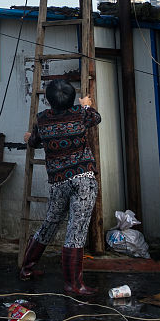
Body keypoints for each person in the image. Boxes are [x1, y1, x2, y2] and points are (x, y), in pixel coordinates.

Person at [20, 78, 102, 295]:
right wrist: (85, 103)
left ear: (48, 100)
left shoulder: (43, 119)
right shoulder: (81, 114)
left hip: (58, 182)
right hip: (83, 179)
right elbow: (96, 117)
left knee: (50, 223)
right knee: (76, 229)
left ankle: (27, 269)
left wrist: (29, 138)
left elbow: (35, 141)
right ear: (72, 99)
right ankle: (73, 285)